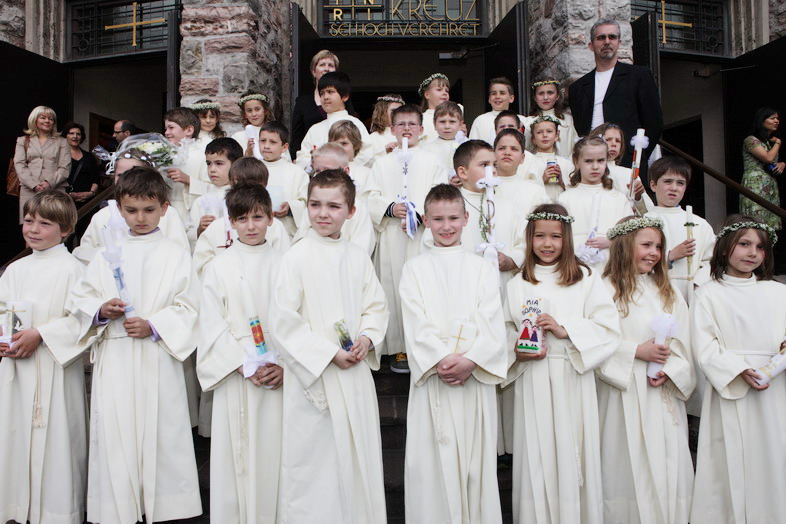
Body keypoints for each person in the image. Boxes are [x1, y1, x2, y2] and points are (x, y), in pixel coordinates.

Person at [50, 167, 202, 523]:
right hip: (116, 353)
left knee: (161, 432)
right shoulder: (107, 255)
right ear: (119, 209)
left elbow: (190, 307)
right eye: (131, 210)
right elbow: (80, 301)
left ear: (165, 208)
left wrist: (154, 324)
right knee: (115, 435)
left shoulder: (176, 255)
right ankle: (116, 507)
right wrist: (101, 310)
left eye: (149, 210)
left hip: (157, 355)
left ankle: (166, 506)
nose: (140, 218)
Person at [269, 169, 389, 523]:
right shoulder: (295, 257)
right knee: (314, 466)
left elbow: (375, 306)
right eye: (315, 204)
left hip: (353, 373)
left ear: (351, 211)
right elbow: (284, 320)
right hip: (314, 378)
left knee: (356, 456)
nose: (323, 213)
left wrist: (366, 338)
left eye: (334, 206)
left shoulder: (356, 256)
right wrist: (329, 353)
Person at [502, 203, 620, 524]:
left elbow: (608, 327)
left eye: (555, 236)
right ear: (529, 238)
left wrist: (566, 329)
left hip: (572, 374)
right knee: (536, 454)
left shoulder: (586, 278)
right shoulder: (517, 283)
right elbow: (505, 330)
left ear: (567, 238)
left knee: (573, 451)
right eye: (539, 236)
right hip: (533, 376)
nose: (547, 243)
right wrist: (518, 349)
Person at [399, 184, 506, 523]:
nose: (446, 226)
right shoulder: (414, 268)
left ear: (466, 219)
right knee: (432, 465)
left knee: (475, 466)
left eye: (453, 218)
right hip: (436, 378)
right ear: (426, 221)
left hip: (472, 380)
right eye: (438, 219)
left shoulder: (482, 268)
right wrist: (444, 360)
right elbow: (415, 321)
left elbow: (491, 320)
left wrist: (470, 361)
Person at [596, 215, 694, 524]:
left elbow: (685, 344)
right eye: (646, 245)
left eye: (659, 246)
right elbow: (595, 341)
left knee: (668, 460)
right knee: (626, 463)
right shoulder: (603, 289)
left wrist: (671, 368)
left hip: (661, 394)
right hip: (621, 392)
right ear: (625, 246)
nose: (654, 253)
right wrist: (636, 351)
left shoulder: (668, 291)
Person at [197, 183, 284, 523]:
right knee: (239, 454)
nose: (250, 226)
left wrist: (283, 363)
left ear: (271, 219)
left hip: (278, 372)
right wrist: (242, 363)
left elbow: (299, 320)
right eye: (242, 219)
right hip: (237, 372)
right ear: (230, 222)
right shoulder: (219, 267)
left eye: (258, 217)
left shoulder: (286, 263)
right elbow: (210, 323)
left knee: (277, 454)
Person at [690, 215, 786, 523]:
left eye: (760, 247)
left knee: (772, 454)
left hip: (774, 387)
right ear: (724, 247)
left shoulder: (778, 292)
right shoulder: (708, 293)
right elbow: (704, 345)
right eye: (744, 244)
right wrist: (738, 370)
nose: (752, 253)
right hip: (731, 385)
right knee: (729, 456)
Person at [0, 190, 87, 524]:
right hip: (17, 368)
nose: (33, 229)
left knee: (56, 441)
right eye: (28, 221)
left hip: (54, 368)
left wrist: (41, 334)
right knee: (14, 434)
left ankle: (56, 512)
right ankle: (14, 507)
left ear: (66, 229)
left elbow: (82, 320)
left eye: (45, 223)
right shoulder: (15, 269)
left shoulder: (73, 270)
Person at [364, 104, 447, 372]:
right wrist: (390, 208)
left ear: (422, 129)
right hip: (392, 235)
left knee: (423, 290)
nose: (407, 128)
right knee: (393, 288)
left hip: (423, 236)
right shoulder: (382, 163)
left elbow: (440, 193)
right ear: (392, 129)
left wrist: (421, 214)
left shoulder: (432, 161)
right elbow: (369, 197)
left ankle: (425, 344)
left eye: (412, 124)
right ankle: (398, 347)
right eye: (401, 124)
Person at [569, 18, 663, 176]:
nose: (607, 41)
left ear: (619, 42)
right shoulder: (577, 88)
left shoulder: (639, 76)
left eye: (612, 37)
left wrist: (638, 154)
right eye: (601, 37)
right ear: (591, 45)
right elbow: (580, 127)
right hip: (591, 163)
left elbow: (654, 123)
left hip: (627, 163)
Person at [72, 147, 189, 265]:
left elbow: (180, 253)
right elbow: (84, 252)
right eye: (120, 175)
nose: (127, 180)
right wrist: (111, 255)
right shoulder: (101, 216)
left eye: (134, 173)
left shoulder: (168, 214)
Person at [192, 157, 292, 279]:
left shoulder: (275, 227)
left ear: (265, 186)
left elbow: (285, 268)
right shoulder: (215, 227)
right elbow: (199, 269)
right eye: (239, 187)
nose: (247, 193)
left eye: (253, 187)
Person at [645, 156, 715, 302]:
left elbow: (712, 260)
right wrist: (670, 257)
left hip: (693, 294)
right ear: (653, 185)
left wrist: (698, 285)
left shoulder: (700, 224)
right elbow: (635, 261)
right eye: (668, 181)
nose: (674, 188)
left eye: (680, 183)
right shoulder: (644, 221)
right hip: (654, 292)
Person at [558, 136, 631, 269]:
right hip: (576, 265)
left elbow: (631, 236)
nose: (595, 167)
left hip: (611, 266)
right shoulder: (565, 198)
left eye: (601, 160)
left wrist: (611, 242)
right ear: (576, 161)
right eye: (588, 161)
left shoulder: (619, 198)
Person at [293, 142, 376, 256]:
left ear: (346, 171)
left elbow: (363, 247)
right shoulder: (314, 205)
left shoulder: (359, 208)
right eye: (317, 171)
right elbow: (301, 239)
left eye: (329, 171)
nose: (321, 176)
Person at [295, 71, 373, 168]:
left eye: (330, 92)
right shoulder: (315, 129)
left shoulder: (356, 124)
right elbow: (302, 158)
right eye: (322, 93)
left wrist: (344, 168)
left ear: (345, 96)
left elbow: (367, 155)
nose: (325, 97)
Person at [13, 105, 70, 222]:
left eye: (51, 119)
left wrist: (49, 183)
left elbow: (65, 167)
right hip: (29, 189)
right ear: (34, 119)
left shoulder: (62, 142)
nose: (47, 121)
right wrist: (34, 184)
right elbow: (19, 164)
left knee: (54, 223)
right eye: (43, 117)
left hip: (55, 189)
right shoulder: (23, 140)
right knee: (31, 223)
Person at [186, 137, 243, 249]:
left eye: (219, 163)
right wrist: (199, 230)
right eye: (209, 163)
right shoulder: (200, 201)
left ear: (236, 164)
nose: (212, 169)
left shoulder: (244, 197)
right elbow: (188, 235)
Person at [589, 122, 652, 214]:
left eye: (618, 141)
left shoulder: (629, 174)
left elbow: (647, 214)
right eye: (608, 139)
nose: (614, 144)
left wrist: (638, 197)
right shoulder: (586, 170)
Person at [259, 121, 309, 236]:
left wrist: (290, 208)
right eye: (263, 141)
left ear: (284, 147)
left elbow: (306, 202)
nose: (266, 146)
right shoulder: (251, 168)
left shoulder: (297, 172)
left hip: (285, 232)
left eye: (273, 142)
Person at [290, 49, 339, 160]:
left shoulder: (343, 99)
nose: (326, 68)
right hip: (310, 158)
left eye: (331, 65)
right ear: (313, 71)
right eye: (322, 65)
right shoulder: (302, 102)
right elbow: (297, 137)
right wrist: (295, 160)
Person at [740, 107, 783, 230]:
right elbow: (768, 158)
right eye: (772, 118)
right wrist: (778, 142)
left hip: (770, 184)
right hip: (755, 184)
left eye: (777, 118)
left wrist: (782, 164)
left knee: (770, 226)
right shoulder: (750, 140)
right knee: (756, 223)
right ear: (762, 120)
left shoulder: (768, 143)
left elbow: (773, 163)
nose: (776, 121)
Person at [163, 106, 210, 216]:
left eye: (171, 127)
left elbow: (212, 188)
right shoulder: (164, 156)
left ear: (189, 130)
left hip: (187, 212)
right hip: (165, 209)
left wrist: (188, 179)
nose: (166, 132)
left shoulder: (202, 157)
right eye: (166, 128)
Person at [493, 129, 550, 213]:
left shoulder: (536, 192)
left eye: (514, 149)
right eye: (502, 148)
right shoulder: (482, 187)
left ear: (522, 158)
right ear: (493, 154)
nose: (507, 152)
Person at [525, 78, 578, 156]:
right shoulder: (527, 122)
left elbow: (575, 147)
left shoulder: (567, 120)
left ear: (557, 96)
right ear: (535, 97)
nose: (545, 97)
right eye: (541, 93)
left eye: (550, 93)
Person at [469, 77, 527, 145]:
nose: (497, 96)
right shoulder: (480, 120)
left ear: (511, 98)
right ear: (489, 99)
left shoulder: (522, 120)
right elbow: (473, 146)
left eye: (502, 93)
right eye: (494, 93)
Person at [530, 115, 575, 202]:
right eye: (539, 132)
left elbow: (575, 192)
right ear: (533, 139)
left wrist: (561, 181)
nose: (545, 135)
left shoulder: (567, 164)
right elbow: (526, 191)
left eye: (549, 131)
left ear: (557, 135)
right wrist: (543, 180)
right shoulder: (530, 162)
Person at [421, 101, 466, 183]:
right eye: (442, 122)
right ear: (434, 124)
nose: (447, 126)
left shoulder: (467, 146)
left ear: (460, 124)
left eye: (452, 122)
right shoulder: (426, 149)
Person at [329, 120, 373, 195]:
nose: (339, 147)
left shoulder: (367, 174)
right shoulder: (323, 171)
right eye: (334, 144)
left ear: (356, 145)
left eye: (344, 143)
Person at [418, 73, 465, 143]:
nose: (444, 93)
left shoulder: (455, 115)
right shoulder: (422, 118)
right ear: (427, 94)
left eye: (446, 91)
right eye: (439, 90)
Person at [63, 121, 100, 206]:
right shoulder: (59, 155)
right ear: (65, 136)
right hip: (65, 201)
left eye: (78, 134)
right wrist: (67, 195)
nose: (75, 136)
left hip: (87, 202)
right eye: (71, 133)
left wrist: (91, 193)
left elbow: (96, 179)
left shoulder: (89, 157)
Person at [231, 91, 274, 158]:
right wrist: (248, 154)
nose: (254, 114)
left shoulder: (274, 134)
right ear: (245, 114)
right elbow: (233, 162)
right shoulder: (237, 137)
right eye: (249, 110)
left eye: (257, 109)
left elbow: (284, 159)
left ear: (265, 111)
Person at [368, 94, 404, 160]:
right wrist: (384, 151)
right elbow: (366, 162)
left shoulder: (408, 134)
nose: (398, 114)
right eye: (393, 111)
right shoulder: (372, 138)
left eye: (401, 111)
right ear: (382, 113)